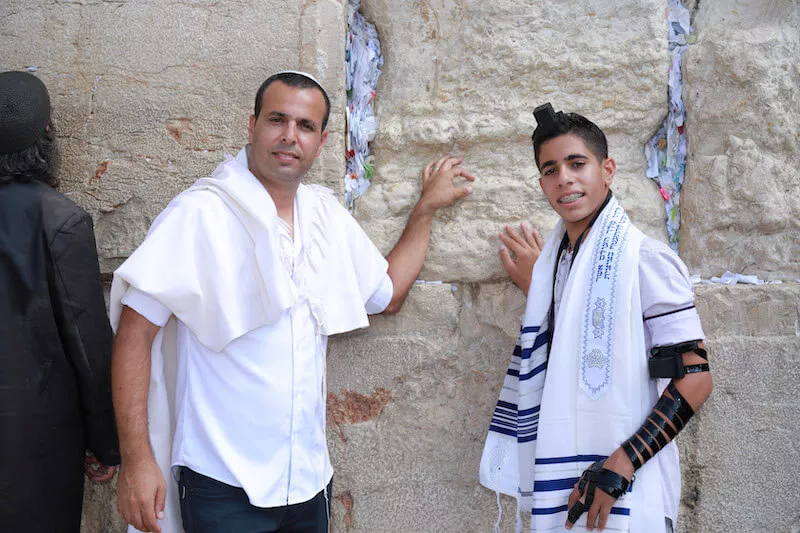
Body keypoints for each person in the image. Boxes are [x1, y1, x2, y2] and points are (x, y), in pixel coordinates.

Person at [111, 70, 475, 533]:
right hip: (223, 486)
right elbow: (133, 336)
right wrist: (137, 462)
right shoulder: (199, 213)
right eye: (277, 119)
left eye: (304, 126)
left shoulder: (324, 215)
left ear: (320, 142)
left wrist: (425, 209)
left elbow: (386, 294)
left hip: (308, 486)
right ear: (252, 126)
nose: (289, 136)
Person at [480, 104, 712, 533]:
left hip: (631, 488)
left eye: (577, 163)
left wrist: (619, 466)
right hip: (568, 491)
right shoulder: (558, 267)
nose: (564, 178)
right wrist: (543, 295)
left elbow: (696, 378)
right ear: (541, 184)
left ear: (607, 170)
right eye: (550, 169)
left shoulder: (645, 259)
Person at [0, 70, 120, 533]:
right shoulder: (60, 220)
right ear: (47, 135)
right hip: (35, 448)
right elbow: (87, 344)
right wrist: (106, 443)